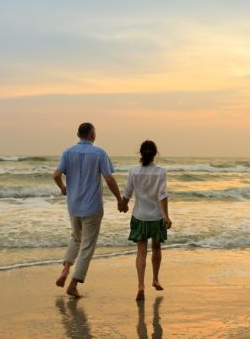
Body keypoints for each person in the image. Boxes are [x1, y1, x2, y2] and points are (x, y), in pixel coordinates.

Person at [53, 122, 124, 298]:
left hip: (73, 205)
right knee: (87, 246)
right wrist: (120, 199)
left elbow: (56, 174)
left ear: (77, 134)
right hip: (92, 206)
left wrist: (63, 188)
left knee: (76, 238)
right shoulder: (99, 153)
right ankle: (74, 283)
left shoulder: (67, 152)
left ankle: (65, 269)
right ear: (93, 135)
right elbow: (109, 179)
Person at [120, 140, 172, 301]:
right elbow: (162, 195)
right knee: (156, 248)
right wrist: (166, 216)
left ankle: (141, 285)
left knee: (141, 251)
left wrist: (123, 205)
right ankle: (155, 279)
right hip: (156, 216)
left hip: (140, 216)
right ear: (155, 154)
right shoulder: (160, 172)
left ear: (140, 153)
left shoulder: (134, 171)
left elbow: (127, 192)